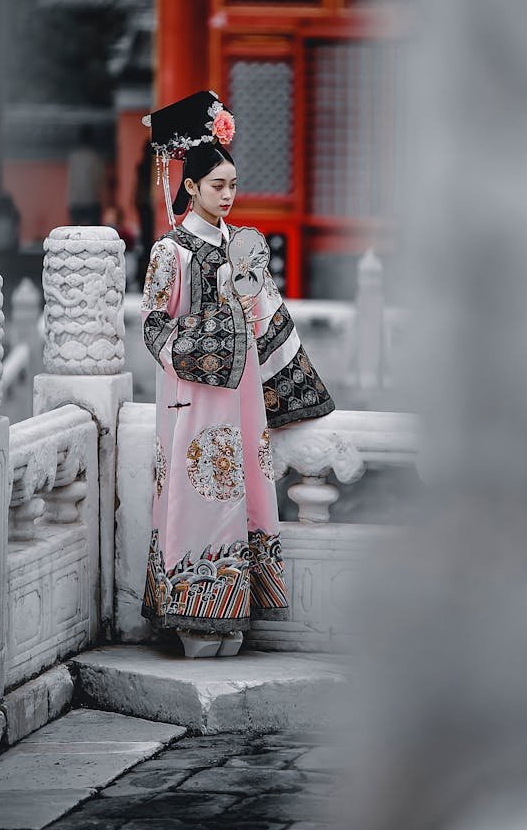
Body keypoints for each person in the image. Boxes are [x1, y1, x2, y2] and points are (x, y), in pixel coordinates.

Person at [140, 90, 335, 658]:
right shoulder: (168, 252)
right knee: (195, 496)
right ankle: (193, 616)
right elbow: (153, 326)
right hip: (193, 400)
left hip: (243, 397)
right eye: (218, 186)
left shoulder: (244, 244)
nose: (228, 195)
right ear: (192, 187)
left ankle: (231, 614)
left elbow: (269, 316)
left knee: (242, 491)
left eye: (232, 185)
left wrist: (293, 386)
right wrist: (199, 347)